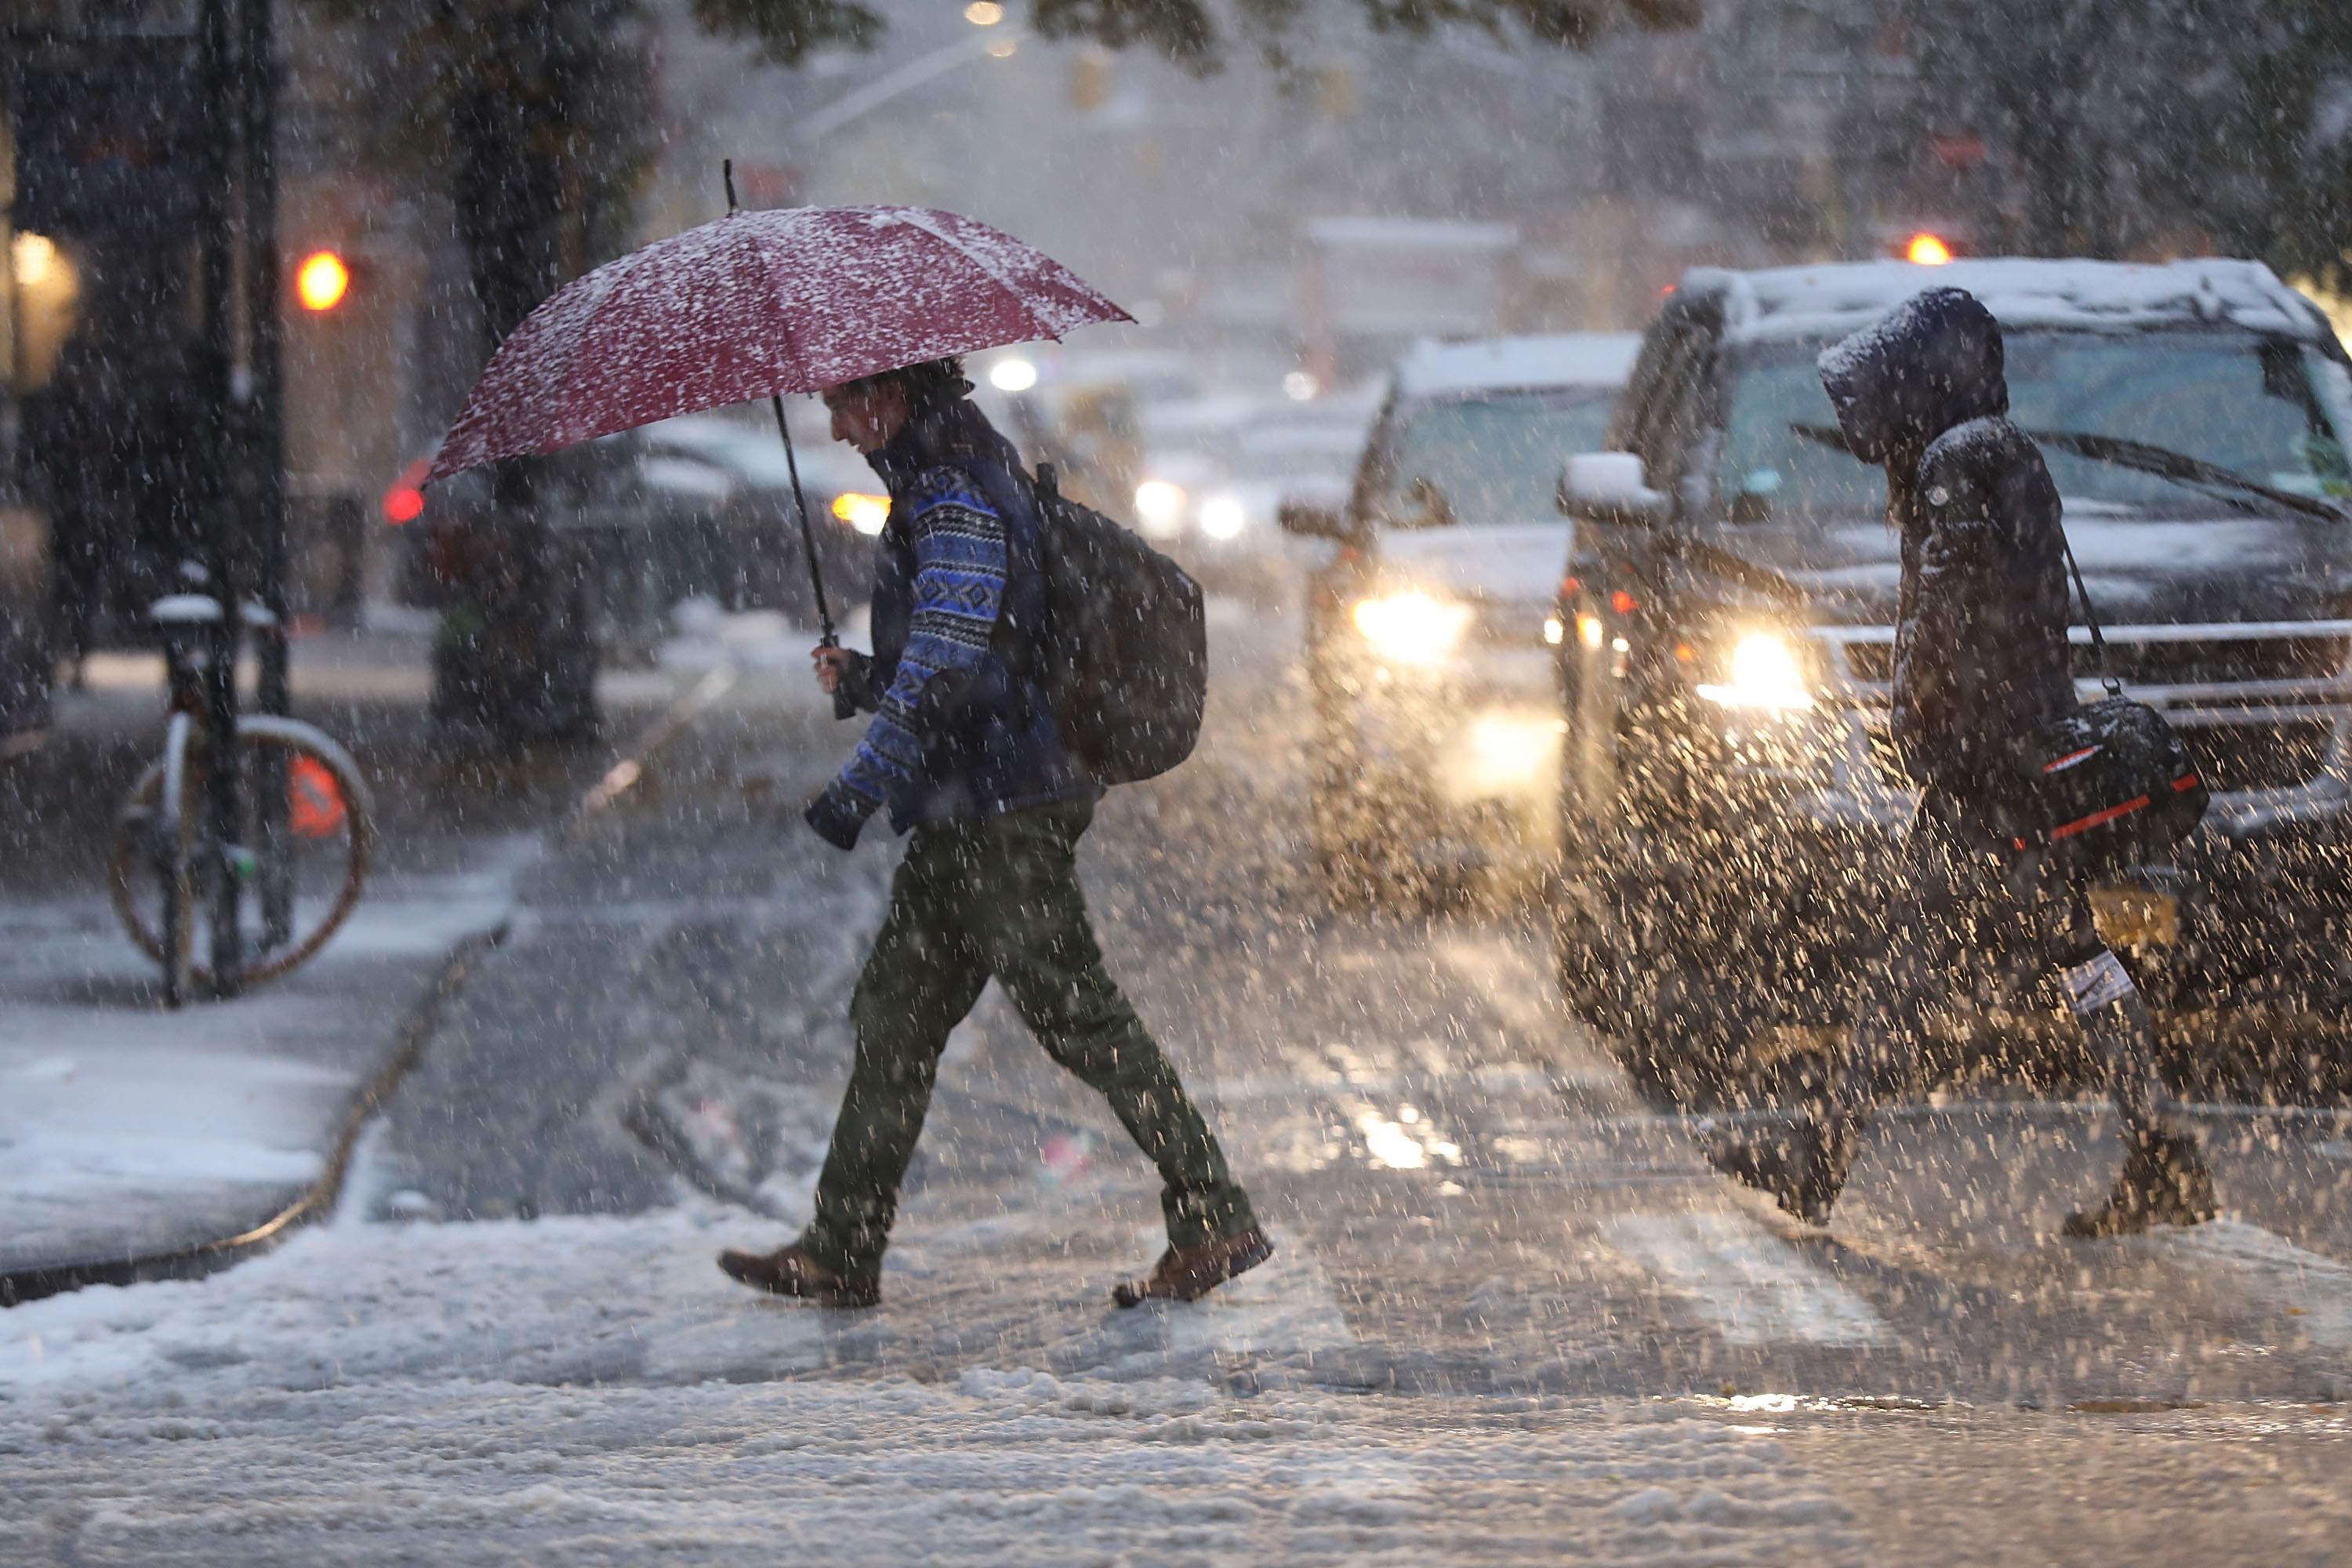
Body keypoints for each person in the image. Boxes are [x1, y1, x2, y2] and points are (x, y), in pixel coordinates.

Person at [718, 357, 1269, 1308]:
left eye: (846, 404)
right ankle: (842, 1244)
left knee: (1079, 1015)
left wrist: (856, 787)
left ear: (891, 395)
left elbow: (948, 667)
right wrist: (862, 678)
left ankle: (1213, 1212)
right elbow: (961, 659)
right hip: (965, 805)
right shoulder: (946, 482)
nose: (839, 428)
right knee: (896, 1014)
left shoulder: (955, 497)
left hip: (1005, 805)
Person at [1704, 287, 2216, 1237]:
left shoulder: (1954, 462)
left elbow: (1943, 621)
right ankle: (2162, 1147)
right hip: (2027, 745)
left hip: (1987, 766)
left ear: (1921, 379)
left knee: (1908, 964)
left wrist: (1927, 731)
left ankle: (1825, 1154)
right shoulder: (2001, 449)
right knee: (2079, 954)